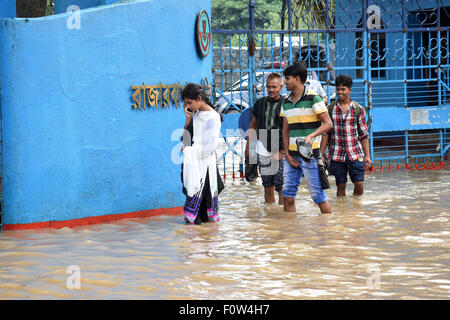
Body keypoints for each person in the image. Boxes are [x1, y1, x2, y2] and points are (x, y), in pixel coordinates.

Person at [280, 61, 333, 214]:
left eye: (287, 78)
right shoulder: (286, 102)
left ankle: (328, 230)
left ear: (297, 79)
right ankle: (291, 232)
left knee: (318, 196)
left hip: (310, 154)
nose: (285, 82)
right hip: (292, 155)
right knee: (287, 195)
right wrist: (288, 154)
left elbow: (328, 123)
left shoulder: (314, 99)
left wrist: (311, 135)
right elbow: (285, 130)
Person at [320, 75, 372, 197]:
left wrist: (368, 156)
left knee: (359, 184)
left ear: (350, 90)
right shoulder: (330, 109)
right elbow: (325, 133)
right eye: (338, 89)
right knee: (340, 186)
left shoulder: (358, 109)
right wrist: (321, 154)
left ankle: (356, 210)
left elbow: (363, 135)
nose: (340, 92)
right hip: (336, 154)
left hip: (355, 153)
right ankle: (342, 213)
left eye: (343, 89)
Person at [181, 83, 221, 225]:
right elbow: (186, 138)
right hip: (193, 164)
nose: (187, 106)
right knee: (194, 216)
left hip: (206, 167)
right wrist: (188, 120)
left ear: (199, 98)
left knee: (202, 215)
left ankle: (202, 244)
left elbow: (209, 149)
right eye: (185, 103)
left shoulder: (213, 118)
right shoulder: (196, 115)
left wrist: (188, 151)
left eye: (189, 103)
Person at [245, 73, 285, 205]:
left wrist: (281, 151)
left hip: (280, 147)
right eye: (268, 87)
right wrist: (249, 150)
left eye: (274, 87)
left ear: (281, 87)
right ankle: (270, 216)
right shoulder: (260, 103)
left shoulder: (287, 104)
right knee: (267, 185)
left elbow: (290, 130)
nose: (271, 90)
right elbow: (253, 126)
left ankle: (284, 217)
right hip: (263, 147)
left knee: (281, 186)